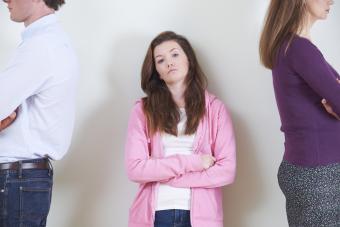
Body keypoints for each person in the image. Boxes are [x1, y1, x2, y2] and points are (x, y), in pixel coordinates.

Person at [125, 31, 236, 227]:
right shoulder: (142, 110)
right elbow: (135, 169)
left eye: (175, 54)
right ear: (156, 71)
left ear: (189, 60)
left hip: (201, 218)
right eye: (160, 60)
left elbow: (226, 171)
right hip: (155, 216)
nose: (169, 62)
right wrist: (193, 162)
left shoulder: (215, 109)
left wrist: (177, 180)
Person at [259, 0, 340, 226]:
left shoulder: (290, 46)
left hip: (309, 170)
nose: (331, 1)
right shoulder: (299, 49)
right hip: (318, 176)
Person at [0, 0, 78, 226]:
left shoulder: (42, 46)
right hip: (22, 179)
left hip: (17, 180)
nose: (5, 0)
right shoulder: (47, 43)